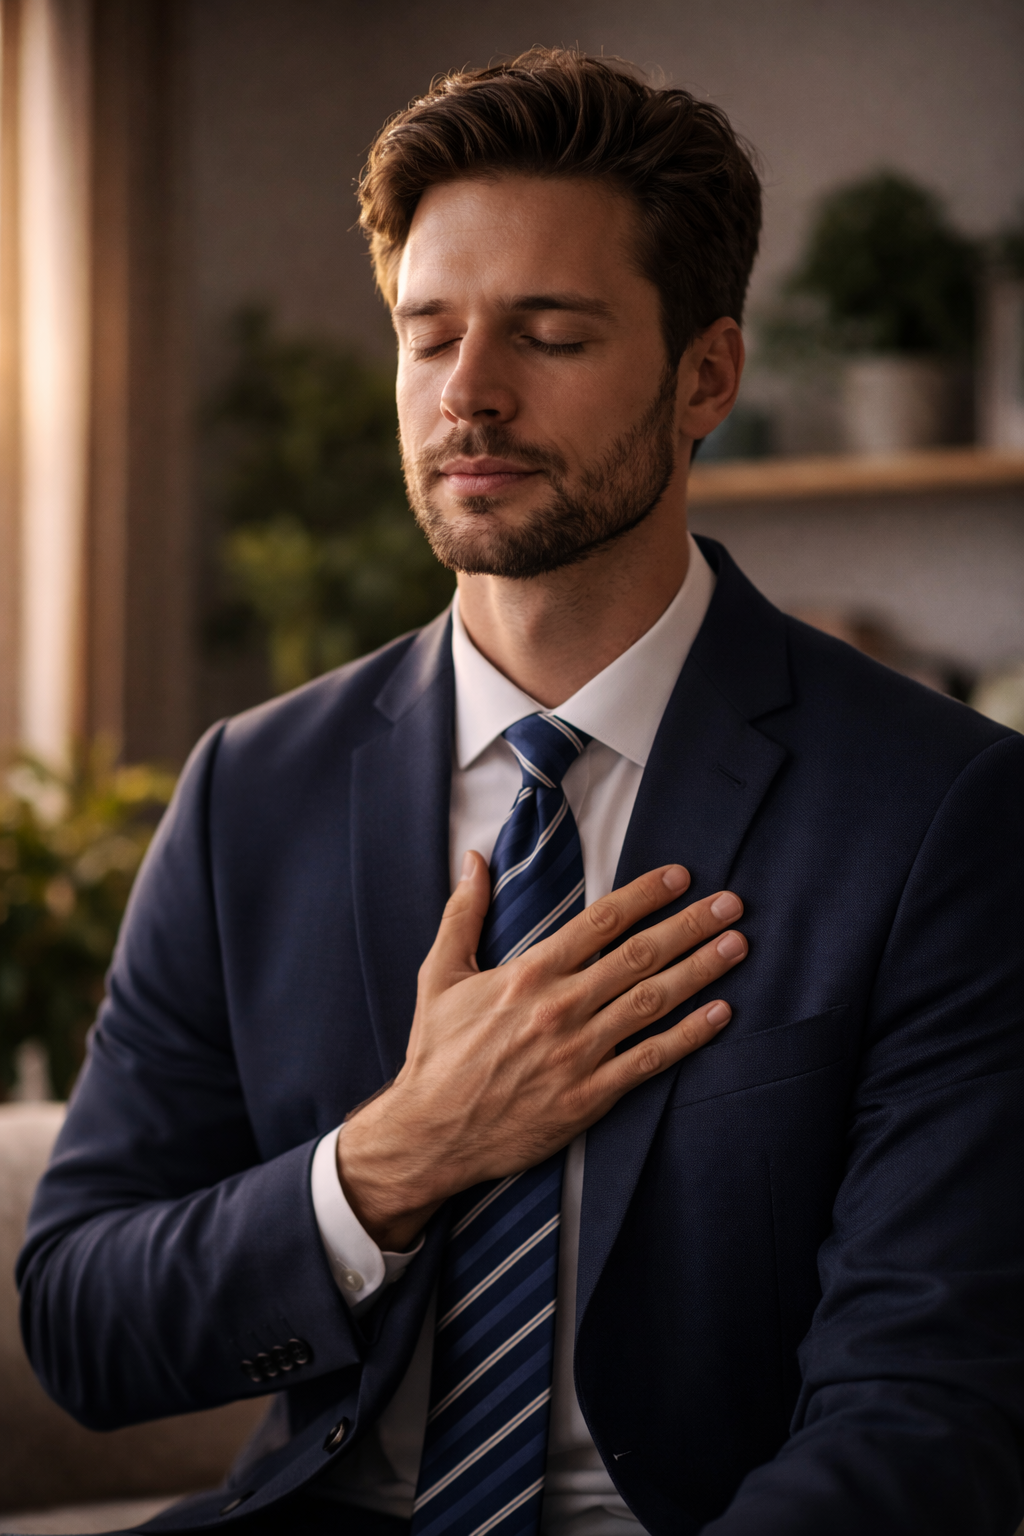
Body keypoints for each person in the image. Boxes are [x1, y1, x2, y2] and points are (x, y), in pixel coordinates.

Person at [17, 48, 1024, 1536]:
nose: (468, 396)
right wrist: (396, 1157)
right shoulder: (252, 788)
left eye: (547, 336)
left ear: (707, 377)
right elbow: (82, 1321)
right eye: (430, 338)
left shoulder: (944, 812)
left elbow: (927, 1414)